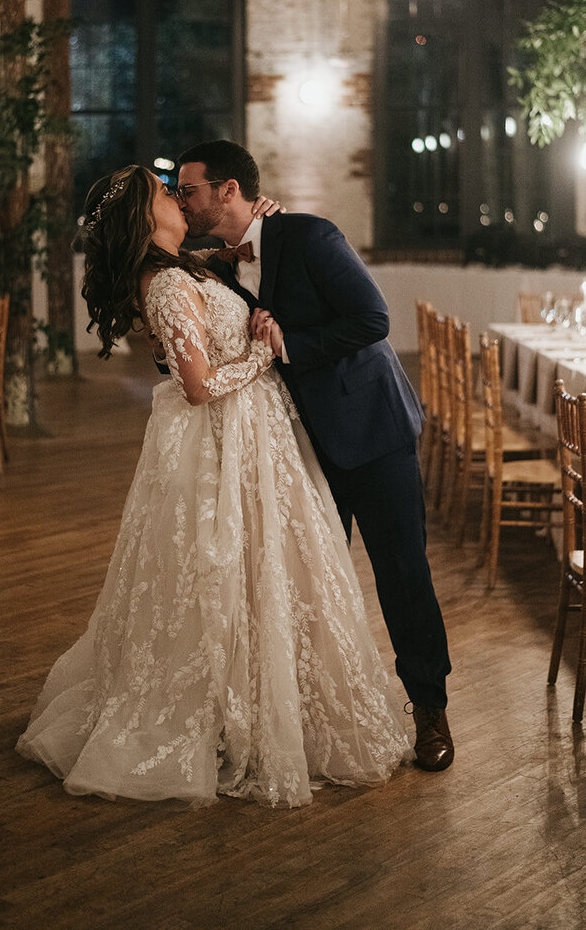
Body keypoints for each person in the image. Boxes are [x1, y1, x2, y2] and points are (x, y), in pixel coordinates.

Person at [16, 165, 411, 807]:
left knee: (261, 571)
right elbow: (198, 386)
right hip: (224, 437)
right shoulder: (168, 282)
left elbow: (234, 265)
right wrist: (262, 354)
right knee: (229, 569)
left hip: (257, 436)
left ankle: (264, 701)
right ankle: (228, 714)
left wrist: (252, 224)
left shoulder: (190, 266)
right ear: (146, 216)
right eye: (164, 191)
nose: (176, 196)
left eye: (181, 187)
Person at [175, 141, 454, 771]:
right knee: (305, 583)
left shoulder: (310, 236)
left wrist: (290, 342)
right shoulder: (216, 267)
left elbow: (373, 319)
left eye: (189, 189)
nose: (182, 201)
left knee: (403, 576)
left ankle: (430, 708)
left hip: (372, 432)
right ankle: (311, 713)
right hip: (296, 444)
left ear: (228, 190)